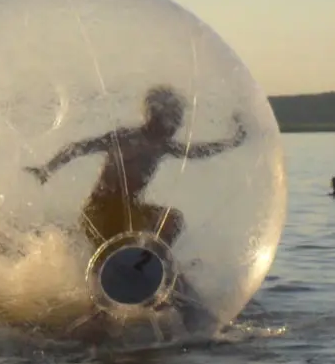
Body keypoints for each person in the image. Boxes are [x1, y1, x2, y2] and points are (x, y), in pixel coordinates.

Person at [25, 85, 247, 326]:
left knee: (172, 219)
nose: (177, 127)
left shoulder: (163, 146)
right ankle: (100, 304)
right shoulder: (125, 138)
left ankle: (151, 267)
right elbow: (78, 147)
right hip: (100, 211)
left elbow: (196, 152)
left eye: (179, 120)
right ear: (154, 116)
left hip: (128, 210)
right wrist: (47, 169)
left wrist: (232, 142)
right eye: (174, 119)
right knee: (110, 255)